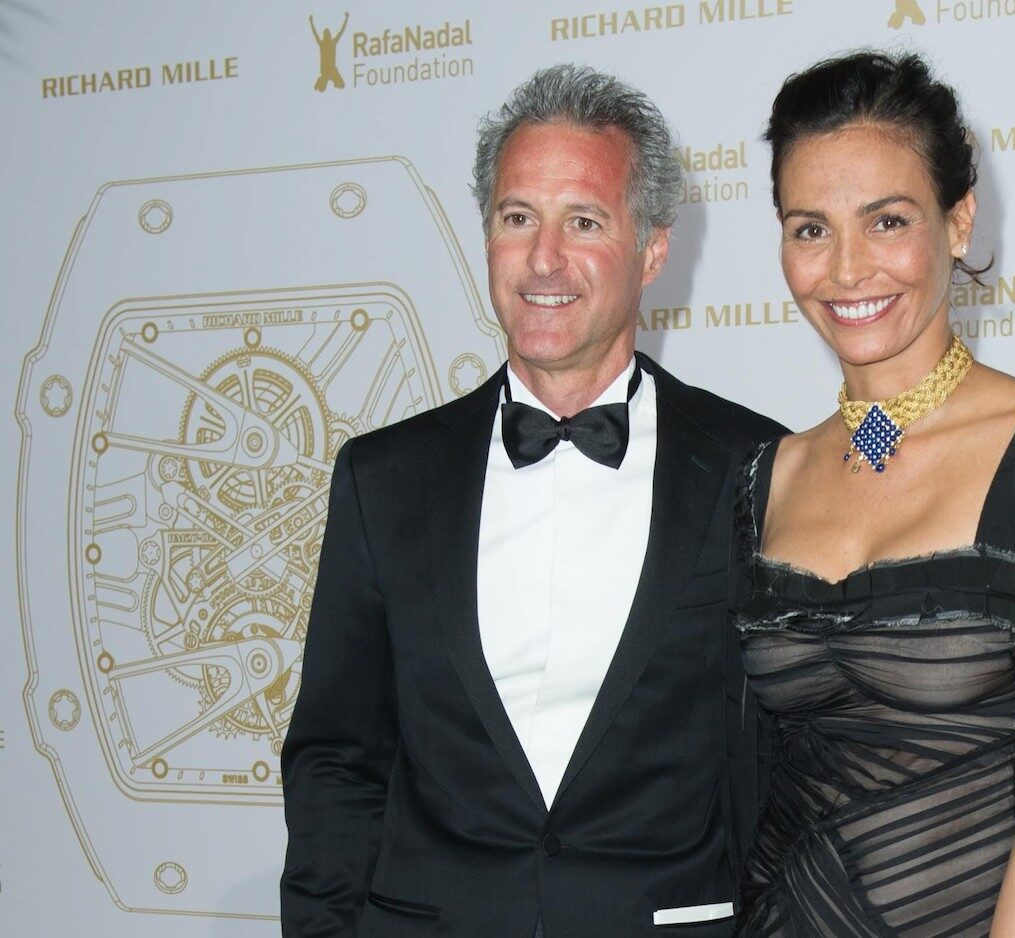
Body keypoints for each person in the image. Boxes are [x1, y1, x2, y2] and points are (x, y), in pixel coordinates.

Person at [280, 64, 783, 936]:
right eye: (518, 218)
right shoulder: (383, 477)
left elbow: (786, 763)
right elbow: (337, 759)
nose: (544, 259)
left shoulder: (756, 465)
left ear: (652, 249)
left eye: (583, 221)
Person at [729, 52, 1015, 937]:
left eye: (886, 221)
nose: (847, 269)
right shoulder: (768, 475)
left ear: (958, 221)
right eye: (810, 229)